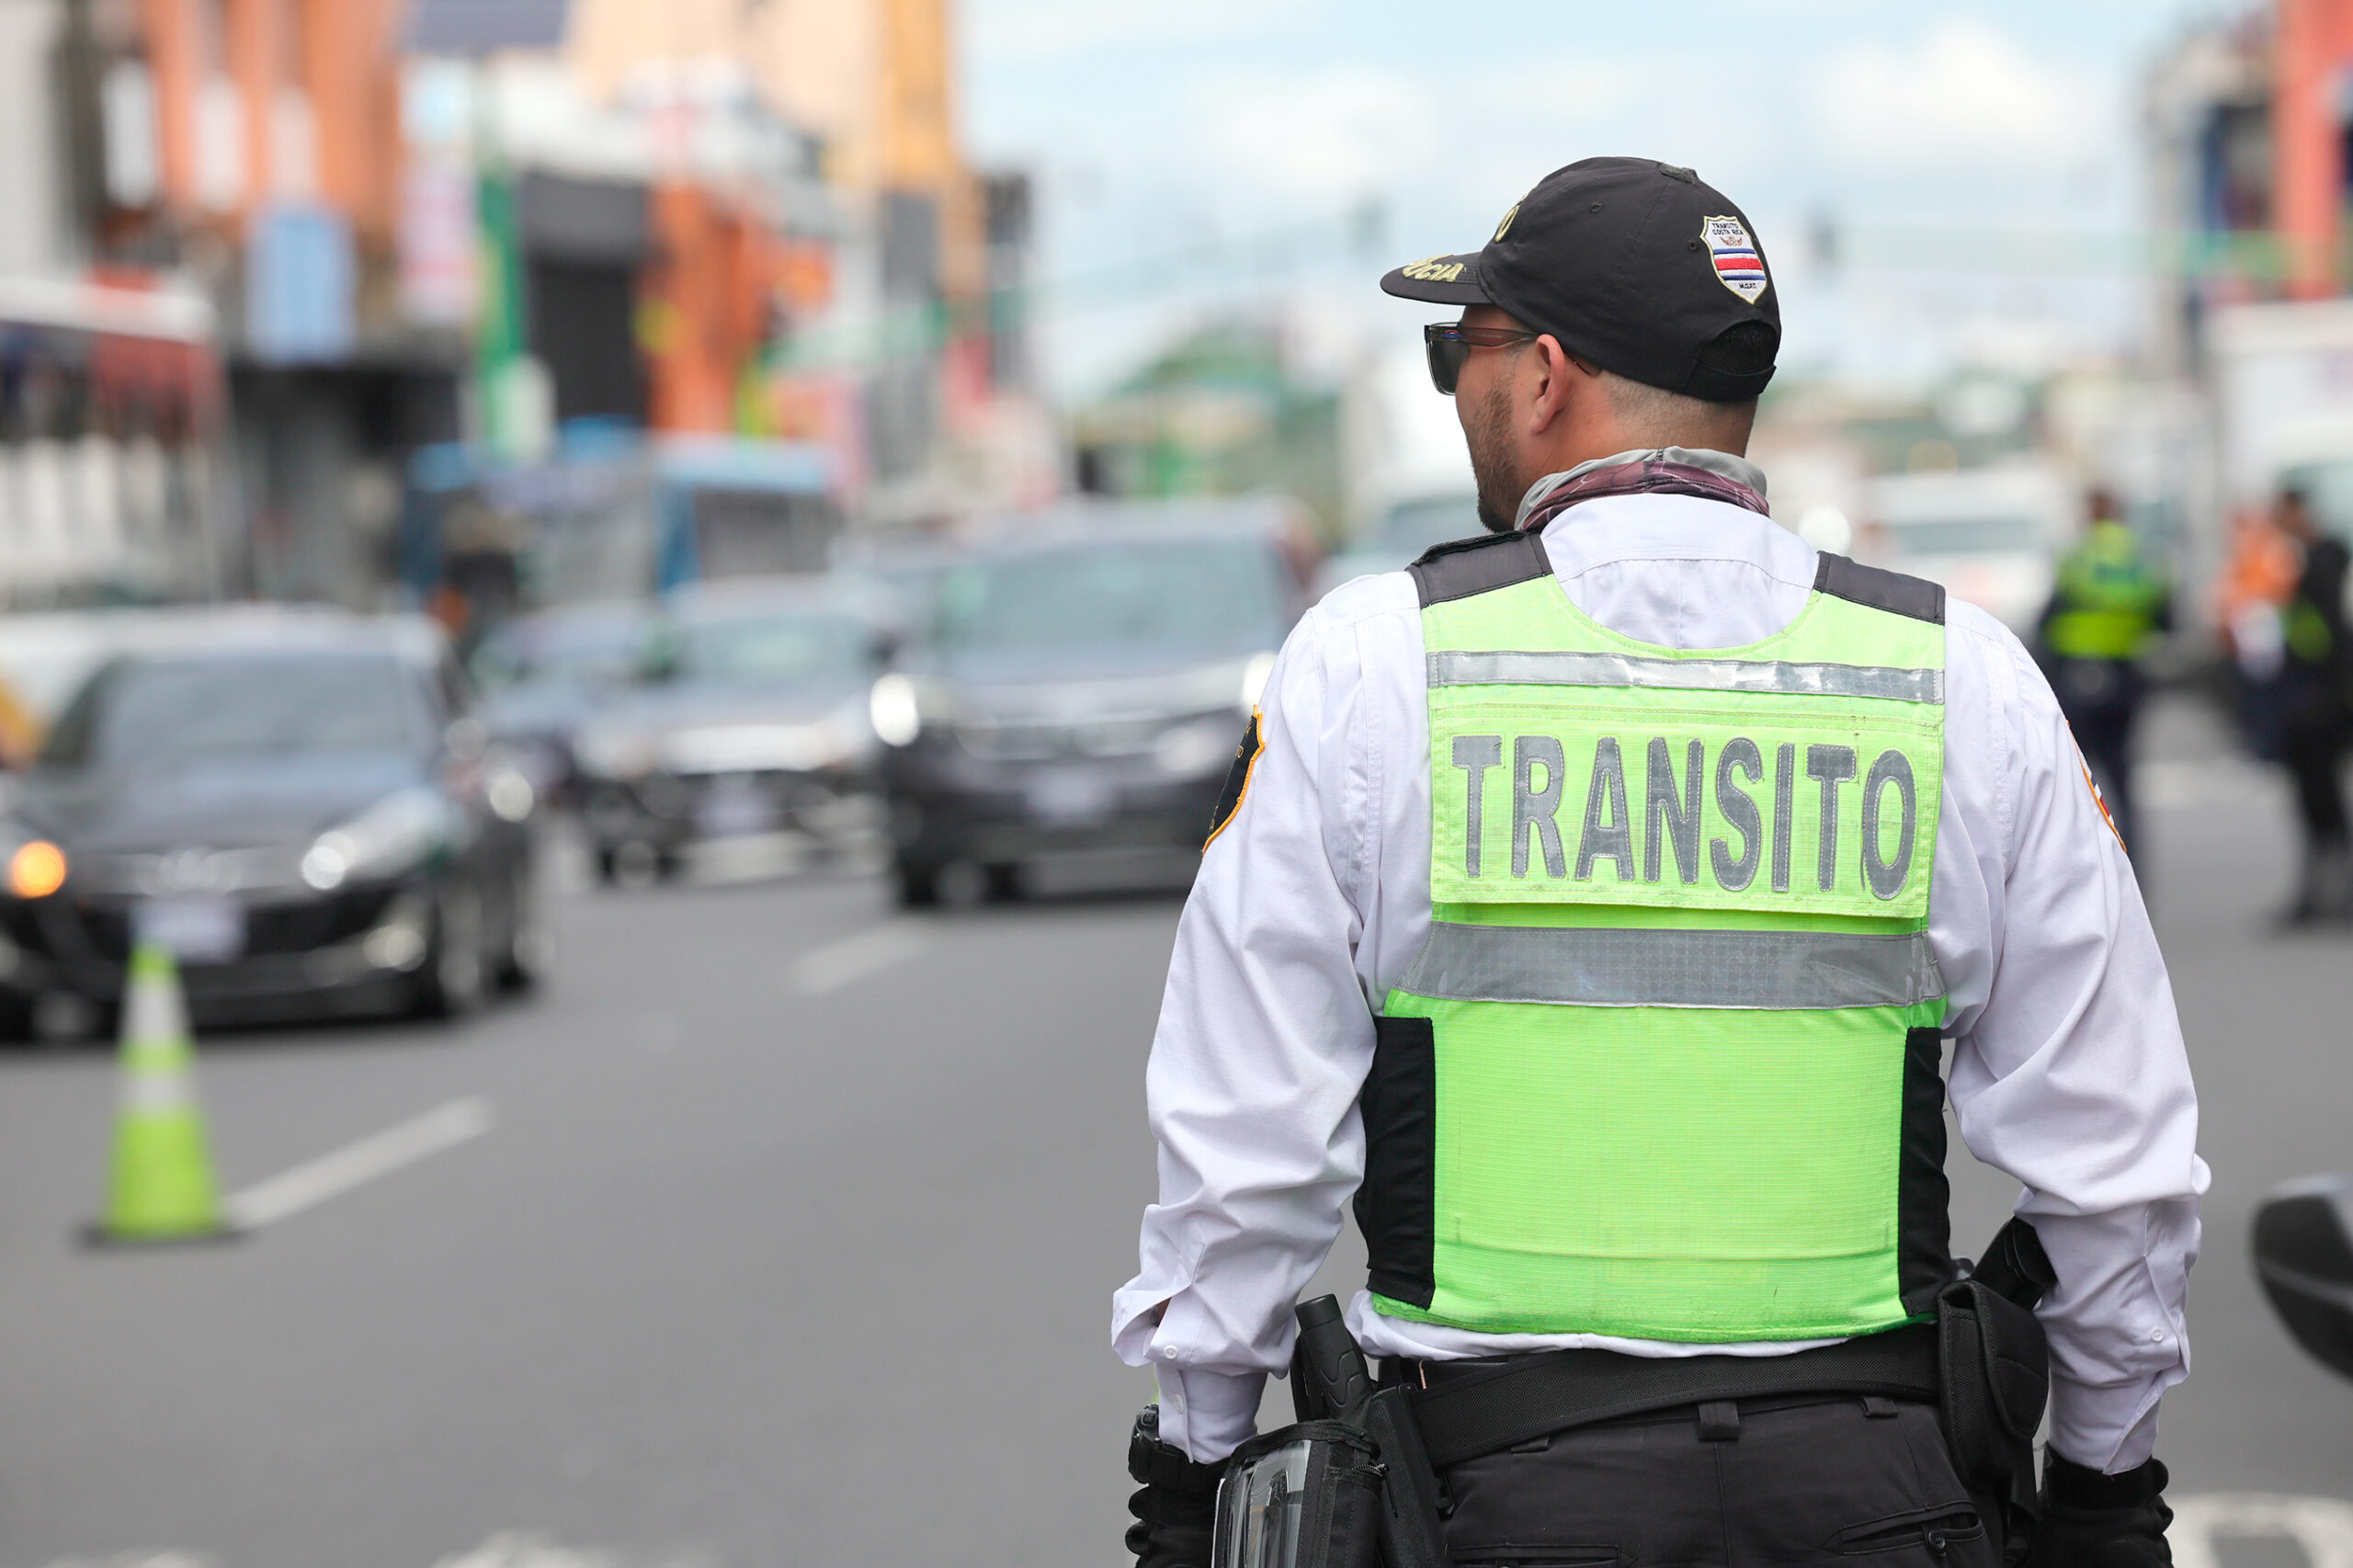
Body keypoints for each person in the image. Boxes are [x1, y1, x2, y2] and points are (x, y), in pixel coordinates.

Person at [1114, 158, 2203, 1568]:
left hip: (1499, 1503)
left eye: (1461, 350)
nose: (1457, 388)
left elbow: (1246, 1142)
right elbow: (2116, 1153)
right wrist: (2105, 1487)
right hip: (1884, 1498)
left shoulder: (1372, 667)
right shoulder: (1958, 676)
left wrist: (1196, 1468)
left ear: (1545, 375)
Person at [2038, 491, 2171, 854]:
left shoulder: (2079, 555)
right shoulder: (2140, 556)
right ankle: (2132, 859)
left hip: (2078, 674)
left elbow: (2049, 619)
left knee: (2076, 778)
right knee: (2122, 774)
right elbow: (2163, 616)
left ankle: (2084, 860)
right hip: (2126, 675)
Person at [2272, 488, 2353, 925]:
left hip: (2318, 705)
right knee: (2319, 802)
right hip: (2316, 702)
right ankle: (2321, 896)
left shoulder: (2322, 565)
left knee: (2322, 802)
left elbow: (2325, 641)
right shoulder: (2319, 562)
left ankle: (2326, 897)